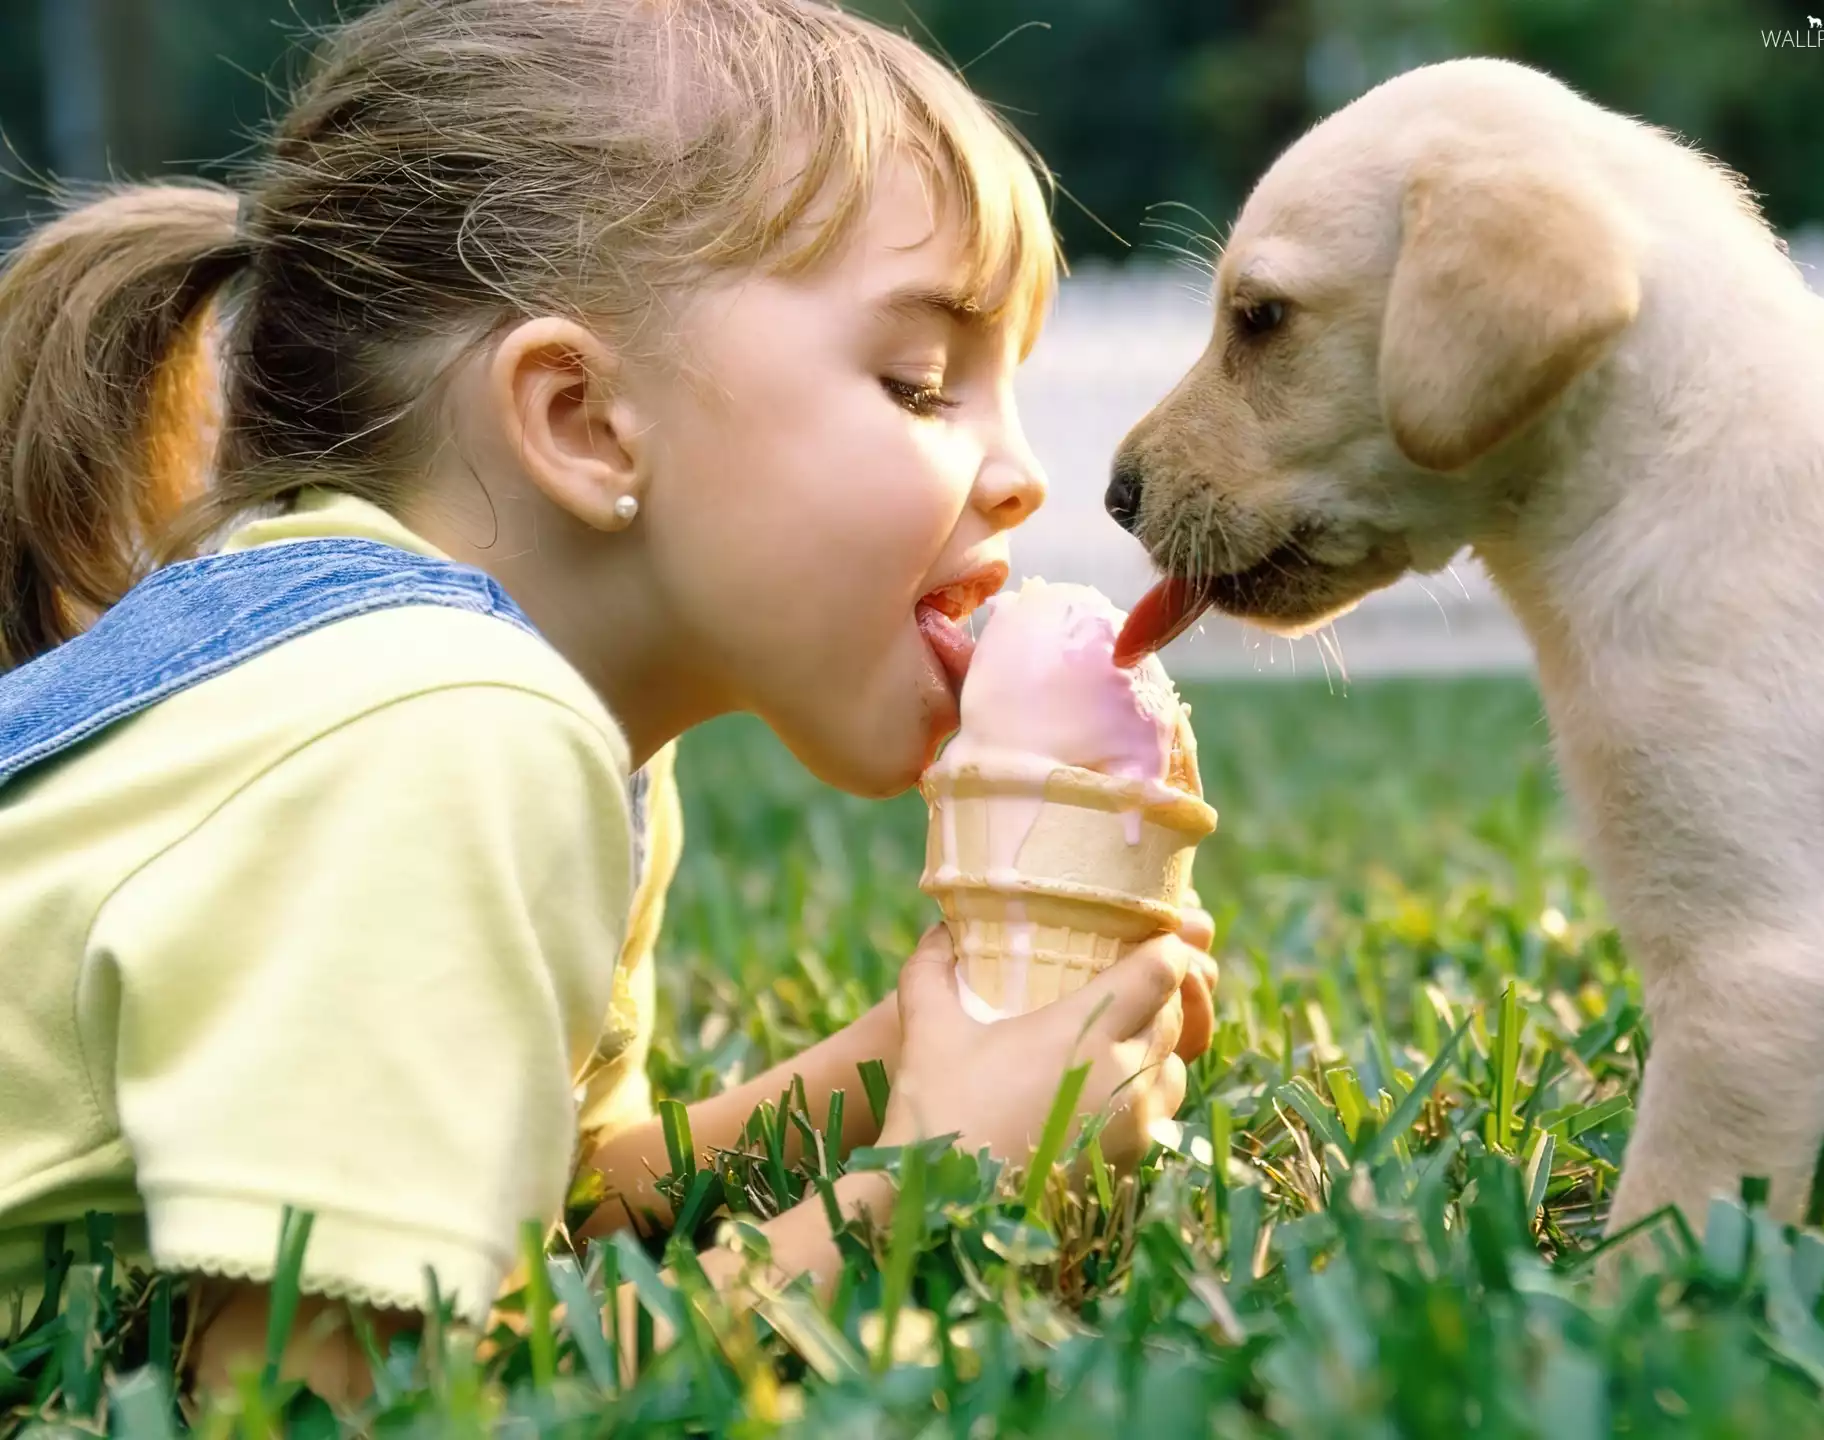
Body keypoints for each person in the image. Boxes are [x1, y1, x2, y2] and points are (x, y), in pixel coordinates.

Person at [0, 0, 1215, 1409]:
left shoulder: (526, 725)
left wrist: (890, 1069)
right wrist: (932, 1189)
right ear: (580, 419)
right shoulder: (438, 729)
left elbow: (557, 1213)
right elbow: (331, 1399)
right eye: (921, 382)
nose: (1020, 474)